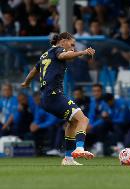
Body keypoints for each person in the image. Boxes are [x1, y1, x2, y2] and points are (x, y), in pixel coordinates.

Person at [21, 32, 96, 165]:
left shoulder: (45, 54)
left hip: (46, 98)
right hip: (54, 95)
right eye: (72, 44)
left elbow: (34, 71)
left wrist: (26, 83)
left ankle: (68, 159)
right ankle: (79, 148)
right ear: (62, 41)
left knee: (72, 122)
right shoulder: (58, 50)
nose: (73, 47)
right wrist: (82, 52)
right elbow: (63, 55)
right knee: (83, 119)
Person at [87, 84, 111, 156]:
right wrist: (89, 125)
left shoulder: (105, 102)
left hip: (106, 125)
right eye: (94, 91)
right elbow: (91, 115)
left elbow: (104, 117)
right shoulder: (92, 102)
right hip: (94, 125)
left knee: (102, 124)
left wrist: (92, 126)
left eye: (98, 91)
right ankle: (89, 148)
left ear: (101, 92)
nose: (96, 93)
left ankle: (99, 148)